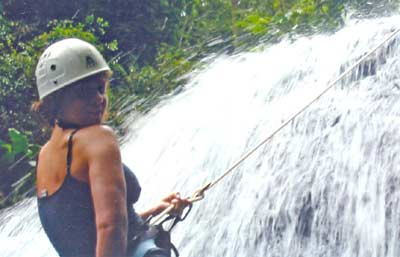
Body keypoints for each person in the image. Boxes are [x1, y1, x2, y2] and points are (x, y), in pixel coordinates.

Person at [33, 38, 188, 257]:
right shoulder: (99, 138)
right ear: (55, 100)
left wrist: (152, 211)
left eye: (100, 88)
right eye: (83, 92)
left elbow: (85, 233)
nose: (98, 99)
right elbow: (110, 228)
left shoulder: (44, 155)